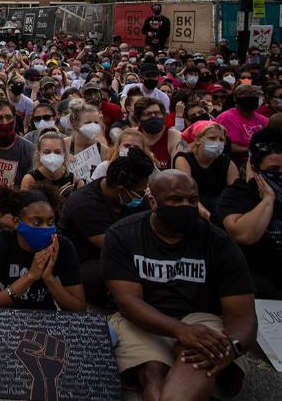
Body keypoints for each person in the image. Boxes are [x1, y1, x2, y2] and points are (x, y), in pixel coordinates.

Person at [103, 170, 256, 401]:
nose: (186, 206)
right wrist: (179, 330)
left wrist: (232, 347)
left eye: (192, 200)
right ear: (153, 202)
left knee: (197, 363)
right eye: (175, 199)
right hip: (143, 319)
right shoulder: (123, 235)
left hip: (202, 318)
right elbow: (128, 301)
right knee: (153, 375)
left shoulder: (218, 242)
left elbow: (243, 313)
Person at [0, 185, 89, 344]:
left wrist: (49, 279)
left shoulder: (63, 246)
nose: (46, 228)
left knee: (109, 334)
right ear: (16, 222)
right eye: (37, 222)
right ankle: (29, 343)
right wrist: (31, 276)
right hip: (5, 320)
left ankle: (15, 343)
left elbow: (79, 309)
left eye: (50, 221)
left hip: (45, 321)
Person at [59, 148, 155, 307]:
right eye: (139, 192)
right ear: (121, 189)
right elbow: (112, 246)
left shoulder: (134, 197)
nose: (142, 196)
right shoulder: (84, 204)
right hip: (86, 263)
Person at [214, 124, 282, 298]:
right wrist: (268, 200)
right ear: (255, 167)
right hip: (254, 287)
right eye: (274, 170)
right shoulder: (237, 194)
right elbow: (244, 235)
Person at [172, 121, 239, 220]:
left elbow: (235, 195)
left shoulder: (228, 163)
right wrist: (210, 218)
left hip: (222, 212)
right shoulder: (183, 160)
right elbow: (188, 194)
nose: (217, 143)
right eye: (212, 138)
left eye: (221, 139)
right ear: (198, 140)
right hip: (192, 211)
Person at [20, 130, 84, 199]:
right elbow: (25, 208)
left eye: (57, 152)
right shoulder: (30, 181)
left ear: (64, 153)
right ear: (39, 153)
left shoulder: (75, 181)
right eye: (47, 152)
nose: (52, 156)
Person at [215, 84, 267, 167]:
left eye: (255, 95)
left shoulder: (263, 119)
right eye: (247, 95)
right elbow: (230, 147)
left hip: (262, 160)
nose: (252, 98)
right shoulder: (226, 118)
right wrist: (255, 149)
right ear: (235, 98)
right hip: (238, 163)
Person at [134, 97, 183, 170]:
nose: (153, 117)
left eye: (157, 113)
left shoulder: (176, 136)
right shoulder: (132, 135)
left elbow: (179, 169)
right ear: (139, 118)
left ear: (163, 115)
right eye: (148, 114)